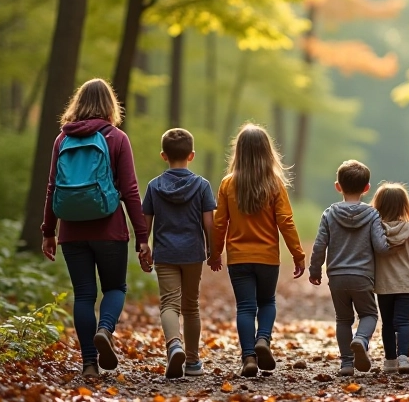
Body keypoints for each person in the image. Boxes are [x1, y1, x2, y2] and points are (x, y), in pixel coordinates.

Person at [41, 78, 149, 377]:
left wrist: (48, 231)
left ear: (77, 103)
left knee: (84, 295)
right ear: (111, 105)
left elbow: (52, 188)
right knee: (115, 287)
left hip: (72, 231)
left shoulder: (62, 139)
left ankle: (89, 363)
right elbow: (129, 189)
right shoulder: (117, 138)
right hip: (109, 228)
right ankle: (105, 330)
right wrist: (142, 237)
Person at [212, 123, 306, 377]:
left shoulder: (228, 184)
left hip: (238, 258)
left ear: (239, 152)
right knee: (267, 301)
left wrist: (215, 252)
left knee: (245, 307)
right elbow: (285, 221)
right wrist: (298, 254)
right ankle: (263, 338)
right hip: (267, 258)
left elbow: (220, 222)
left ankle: (249, 358)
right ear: (267, 152)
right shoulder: (274, 184)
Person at [141, 128, 216, 379]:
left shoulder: (154, 186)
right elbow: (208, 223)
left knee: (169, 304)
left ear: (164, 155)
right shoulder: (202, 186)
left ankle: (174, 345)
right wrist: (213, 249)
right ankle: (193, 362)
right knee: (191, 306)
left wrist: (143, 246)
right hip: (193, 253)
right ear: (191, 155)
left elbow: (145, 223)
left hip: (165, 253)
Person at [309, 160, 390, 377]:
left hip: (336, 276)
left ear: (338, 186)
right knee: (370, 314)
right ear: (366, 188)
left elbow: (319, 245)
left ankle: (346, 363)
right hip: (362, 276)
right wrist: (390, 241)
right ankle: (361, 340)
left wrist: (314, 269)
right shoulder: (372, 215)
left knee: (343, 319)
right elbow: (381, 247)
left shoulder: (329, 214)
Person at [371, 182, 409, 374]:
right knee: (403, 322)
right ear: (404, 206)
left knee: (387, 322)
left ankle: (389, 361)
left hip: (384, 284)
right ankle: (404, 359)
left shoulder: (376, 230)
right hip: (405, 284)